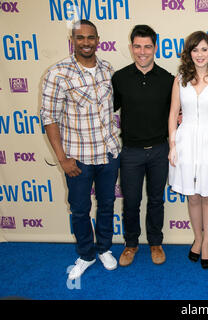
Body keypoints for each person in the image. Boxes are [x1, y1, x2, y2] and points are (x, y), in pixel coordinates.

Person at [40, 20, 121, 280]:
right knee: (80, 209)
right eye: (80, 38)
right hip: (78, 159)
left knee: (107, 205)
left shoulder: (108, 69)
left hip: (108, 154)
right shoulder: (57, 73)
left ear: (98, 39)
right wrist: (62, 158)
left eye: (90, 37)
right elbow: (49, 118)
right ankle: (86, 255)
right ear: (72, 40)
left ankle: (104, 248)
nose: (86, 42)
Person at [168, 31, 208, 269]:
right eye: (195, 50)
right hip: (185, 141)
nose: (200, 54)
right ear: (189, 53)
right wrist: (172, 145)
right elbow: (173, 114)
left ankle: (207, 242)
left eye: (204, 49)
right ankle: (197, 237)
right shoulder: (180, 79)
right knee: (193, 196)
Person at [112, 25, 174, 267]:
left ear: (155, 48)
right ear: (131, 48)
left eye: (147, 46)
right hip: (130, 152)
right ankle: (131, 244)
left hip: (160, 150)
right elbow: (107, 110)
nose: (142, 51)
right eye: (137, 46)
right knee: (131, 201)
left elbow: (177, 113)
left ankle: (156, 242)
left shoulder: (168, 80)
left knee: (156, 199)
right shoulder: (120, 78)